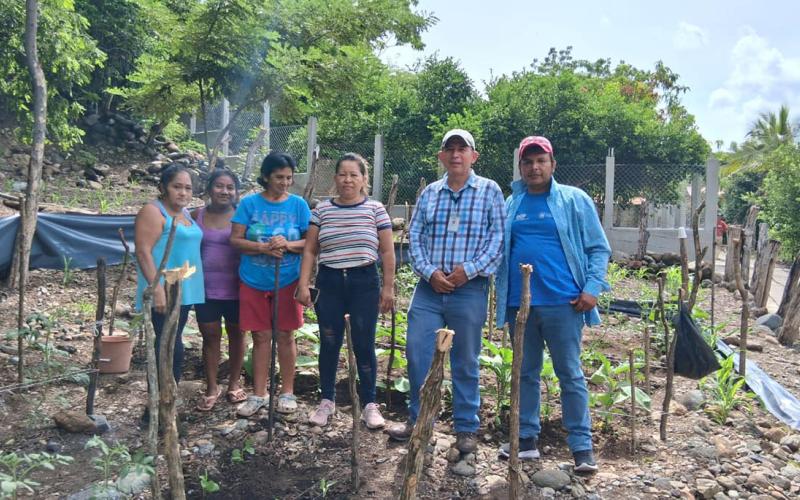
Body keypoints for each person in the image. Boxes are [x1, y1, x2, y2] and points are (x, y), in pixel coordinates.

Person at [494, 136, 611, 473]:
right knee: (525, 373)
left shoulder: (574, 200)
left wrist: (592, 288)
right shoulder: (511, 203)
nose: (534, 167)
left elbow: (598, 248)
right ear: (520, 168)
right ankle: (527, 440)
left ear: (552, 164)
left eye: (540, 161)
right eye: (527, 162)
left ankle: (581, 447)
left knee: (570, 374)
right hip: (521, 306)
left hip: (565, 303)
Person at [387, 129, 506, 454]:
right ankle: (419, 422)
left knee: (465, 359)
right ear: (441, 156)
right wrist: (431, 272)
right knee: (417, 354)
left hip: (470, 289)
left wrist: (467, 271)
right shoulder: (430, 194)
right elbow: (416, 237)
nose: (456, 154)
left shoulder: (489, 191)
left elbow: (497, 240)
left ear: (473, 156)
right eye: (449, 149)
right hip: (429, 290)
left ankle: (466, 427)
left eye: (462, 149)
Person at [296, 153, 396, 429]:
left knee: (364, 344)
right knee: (329, 342)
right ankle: (326, 400)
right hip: (329, 282)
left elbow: (387, 252)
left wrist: (388, 288)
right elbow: (310, 250)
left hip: (364, 282)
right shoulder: (322, 211)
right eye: (342, 174)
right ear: (335, 178)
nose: (348, 179)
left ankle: (370, 404)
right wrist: (304, 284)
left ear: (364, 179)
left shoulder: (375, 210)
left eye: (354, 174)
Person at [230, 152, 310, 417]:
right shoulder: (249, 204)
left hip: (287, 281)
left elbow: (311, 243)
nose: (285, 183)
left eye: (289, 178)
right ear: (266, 177)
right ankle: (259, 394)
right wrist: (262, 247)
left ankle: (287, 392)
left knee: (286, 335)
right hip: (253, 279)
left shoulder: (298, 205)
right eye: (279, 177)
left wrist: (287, 244)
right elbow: (236, 240)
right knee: (261, 336)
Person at [134, 164, 205, 385]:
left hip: (182, 287)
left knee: (173, 340)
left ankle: (167, 399)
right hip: (164, 288)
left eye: (188, 188)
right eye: (177, 187)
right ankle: (159, 402)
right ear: (164, 187)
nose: (183, 193)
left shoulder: (184, 213)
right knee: (168, 343)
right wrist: (156, 289)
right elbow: (143, 251)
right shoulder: (153, 211)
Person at [192, 169, 246, 411]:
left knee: (237, 335)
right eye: (219, 186)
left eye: (230, 187)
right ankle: (211, 386)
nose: (225, 191)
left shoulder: (242, 216)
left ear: (236, 191)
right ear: (209, 188)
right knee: (210, 337)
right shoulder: (196, 215)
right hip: (205, 289)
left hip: (237, 288)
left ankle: (234, 384)